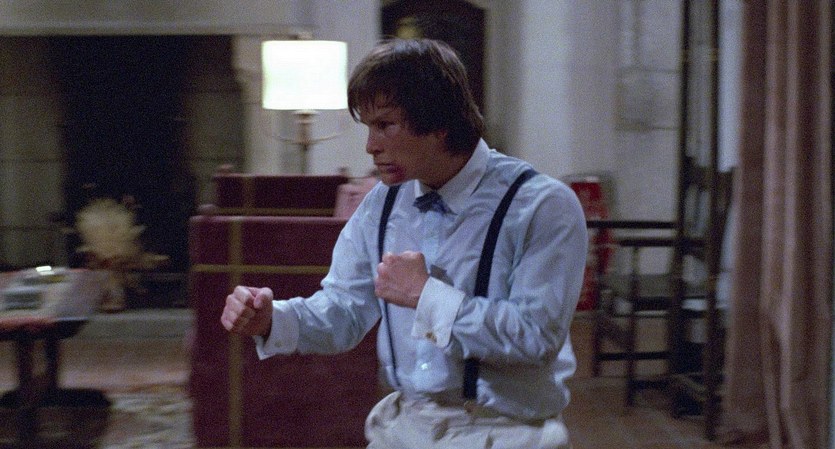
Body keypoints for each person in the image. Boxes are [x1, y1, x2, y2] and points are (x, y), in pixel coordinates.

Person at [220, 38, 588, 449]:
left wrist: (426, 296)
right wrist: (273, 319)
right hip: (405, 425)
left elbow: (535, 336)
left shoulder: (541, 205)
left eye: (385, 125)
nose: (370, 146)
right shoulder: (383, 202)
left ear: (439, 122)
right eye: (369, 127)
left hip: (507, 430)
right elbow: (344, 309)